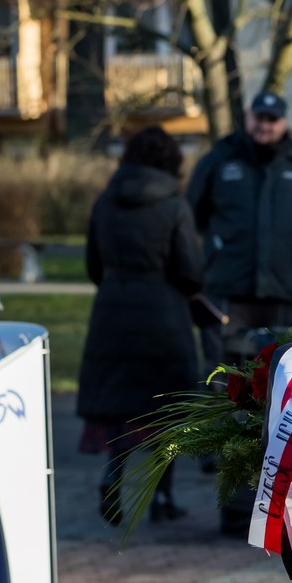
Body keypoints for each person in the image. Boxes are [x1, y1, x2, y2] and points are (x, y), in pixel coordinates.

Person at [185, 91, 292, 535]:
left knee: (277, 379)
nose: (265, 126)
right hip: (229, 287)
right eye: (259, 118)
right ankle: (219, 455)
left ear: (284, 122)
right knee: (224, 373)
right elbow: (194, 212)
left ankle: (270, 458)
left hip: (279, 288)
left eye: (273, 119)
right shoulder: (220, 159)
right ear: (247, 117)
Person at [77, 126, 205, 524]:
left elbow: (93, 265)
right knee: (164, 410)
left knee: (121, 408)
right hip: (163, 317)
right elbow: (191, 273)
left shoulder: (105, 202)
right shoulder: (174, 205)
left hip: (112, 314)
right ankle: (162, 498)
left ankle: (112, 477)